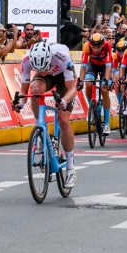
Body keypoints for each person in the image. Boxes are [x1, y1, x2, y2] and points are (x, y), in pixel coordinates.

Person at [15, 41, 79, 186]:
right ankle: (40, 130)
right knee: (36, 90)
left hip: (64, 78)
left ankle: (70, 167)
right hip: (48, 80)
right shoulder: (26, 60)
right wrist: (20, 103)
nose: (43, 71)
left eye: (45, 68)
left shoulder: (62, 56)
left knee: (63, 120)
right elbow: (24, 91)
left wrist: (63, 101)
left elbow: (72, 89)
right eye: (39, 69)